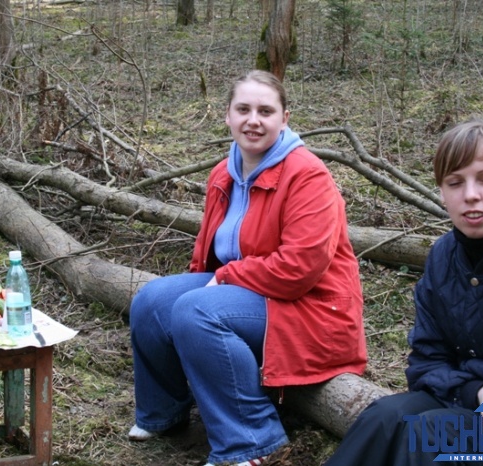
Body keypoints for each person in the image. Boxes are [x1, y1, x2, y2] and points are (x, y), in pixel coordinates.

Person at [128, 70, 367, 466]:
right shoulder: (224, 172)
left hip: (314, 309)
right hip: (251, 295)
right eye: (243, 109)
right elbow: (209, 253)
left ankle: (252, 442)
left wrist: (224, 280)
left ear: (284, 118)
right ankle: (163, 413)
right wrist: (208, 286)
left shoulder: (308, 176)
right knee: (153, 301)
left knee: (195, 310)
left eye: (265, 111)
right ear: (227, 115)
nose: (253, 120)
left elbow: (299, 270)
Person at [324, 119, 483, 466]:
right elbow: (425, 363)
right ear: (441, 190)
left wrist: (475, 390)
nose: (470, 194)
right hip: (476, 403)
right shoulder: (443, 256)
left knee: (431, 433)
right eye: (455, 183)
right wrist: (480, 392)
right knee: (385, 419)